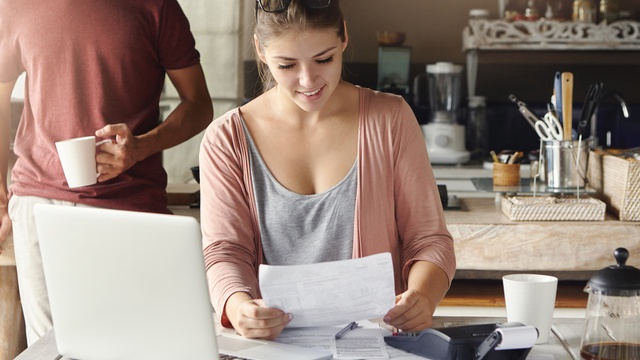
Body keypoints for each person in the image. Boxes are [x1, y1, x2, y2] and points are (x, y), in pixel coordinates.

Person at [199, 0, 455, 341]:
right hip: (272, 347)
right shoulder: (226, 138)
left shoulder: (390, 119)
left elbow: (429, 241)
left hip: (374, 345)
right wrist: (237, 307)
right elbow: (224, 252)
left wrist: (423, 296)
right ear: (261, 50)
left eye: (324, 59)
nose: (308, 81)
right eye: (287, 65)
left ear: (344, 37)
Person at [0, 0, 213, 345]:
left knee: (124, 347)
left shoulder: (157, 7)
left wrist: (141, 146)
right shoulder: (16, 5)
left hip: (127, 206)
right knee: (49, 349)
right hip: (36, 201)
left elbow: (199, 103)